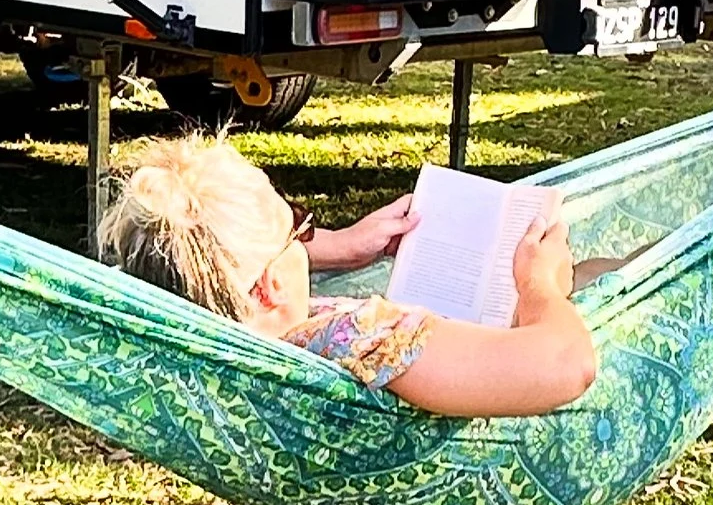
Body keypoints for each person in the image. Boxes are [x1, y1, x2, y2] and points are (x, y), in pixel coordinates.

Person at [99, 135, 597, 415]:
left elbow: (243, 279)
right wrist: (541, 283)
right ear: (269, 285)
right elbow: (567, 365)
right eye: (300, 228)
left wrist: (340, 248)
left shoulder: (215, 343)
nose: (309, 239)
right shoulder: (362, 339)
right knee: (602, 273)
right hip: (530, 347)